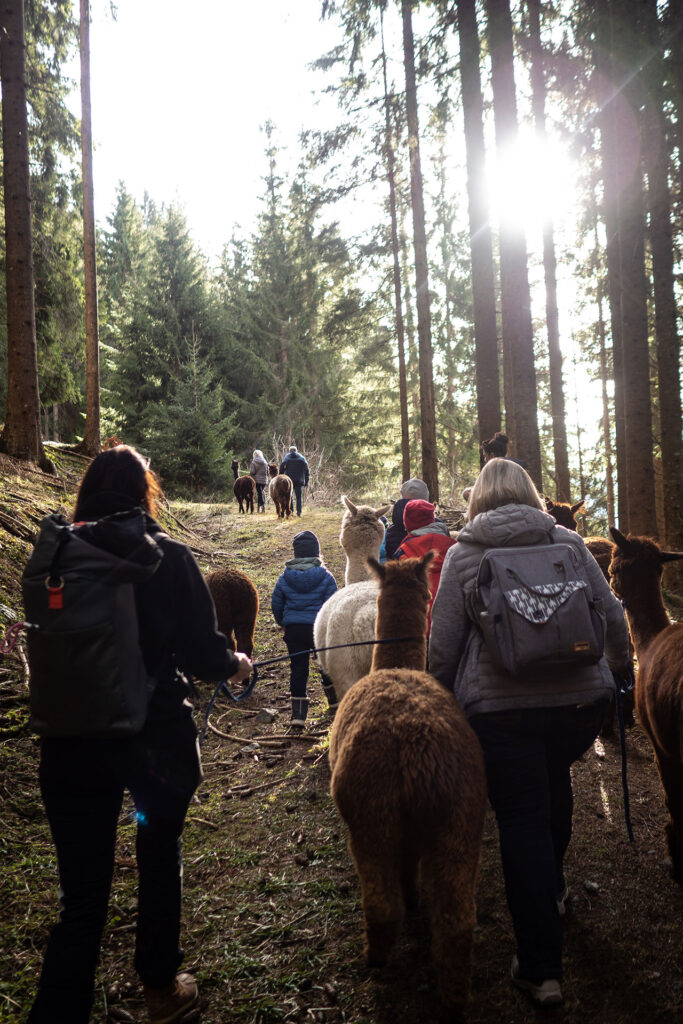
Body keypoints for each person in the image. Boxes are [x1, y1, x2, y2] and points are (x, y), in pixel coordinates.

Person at [27, 445, 252, 1024]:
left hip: (70, 741)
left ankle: (59, 1010)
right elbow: (204, 654)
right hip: (152, 744)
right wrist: (236, 663)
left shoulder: (56, 555)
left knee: (81, 896)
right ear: (143, 492)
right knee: (156, 853)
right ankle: (159, 988)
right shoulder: (167, 556)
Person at [428, 458, 629, 1007]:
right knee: (553, 779)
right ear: (530, 493)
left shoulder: (465, 554)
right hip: (578, 704)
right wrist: (620, 671)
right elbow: (611, 615)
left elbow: (444, 644)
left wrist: (438, 698)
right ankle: (556, 888)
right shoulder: (567, 541)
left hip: (501, 715)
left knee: (521, 818)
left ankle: (541, 968)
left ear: (478, 500)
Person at [271, 531, 338, 726]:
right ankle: (334, 703)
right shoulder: (326, 576)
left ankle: (298, 716)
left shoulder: (285, 577)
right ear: (317, 552)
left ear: (296, 553)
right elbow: (332, 603)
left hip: (294, 630)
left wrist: (283, 622)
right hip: (318, 630)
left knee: (298, 669)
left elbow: (276, 603)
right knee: (325, 665)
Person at [395, 499, 455, 632]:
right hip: (451, 623)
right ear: (432, 519)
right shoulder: (455, 548)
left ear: (407, 523)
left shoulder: (404, 552)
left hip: (417, 625)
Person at [279, 444, 310, 517]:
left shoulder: (287, 457)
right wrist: (306, 480)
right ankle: (299, 513)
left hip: (289, 481)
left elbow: (282, 465)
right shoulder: (302, 458)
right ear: (296, 451)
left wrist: (281, 475)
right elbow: (307, 470)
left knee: (290, 496)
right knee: (299, 497)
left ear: (289, 451)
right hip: (299, 481)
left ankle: (291, 512)